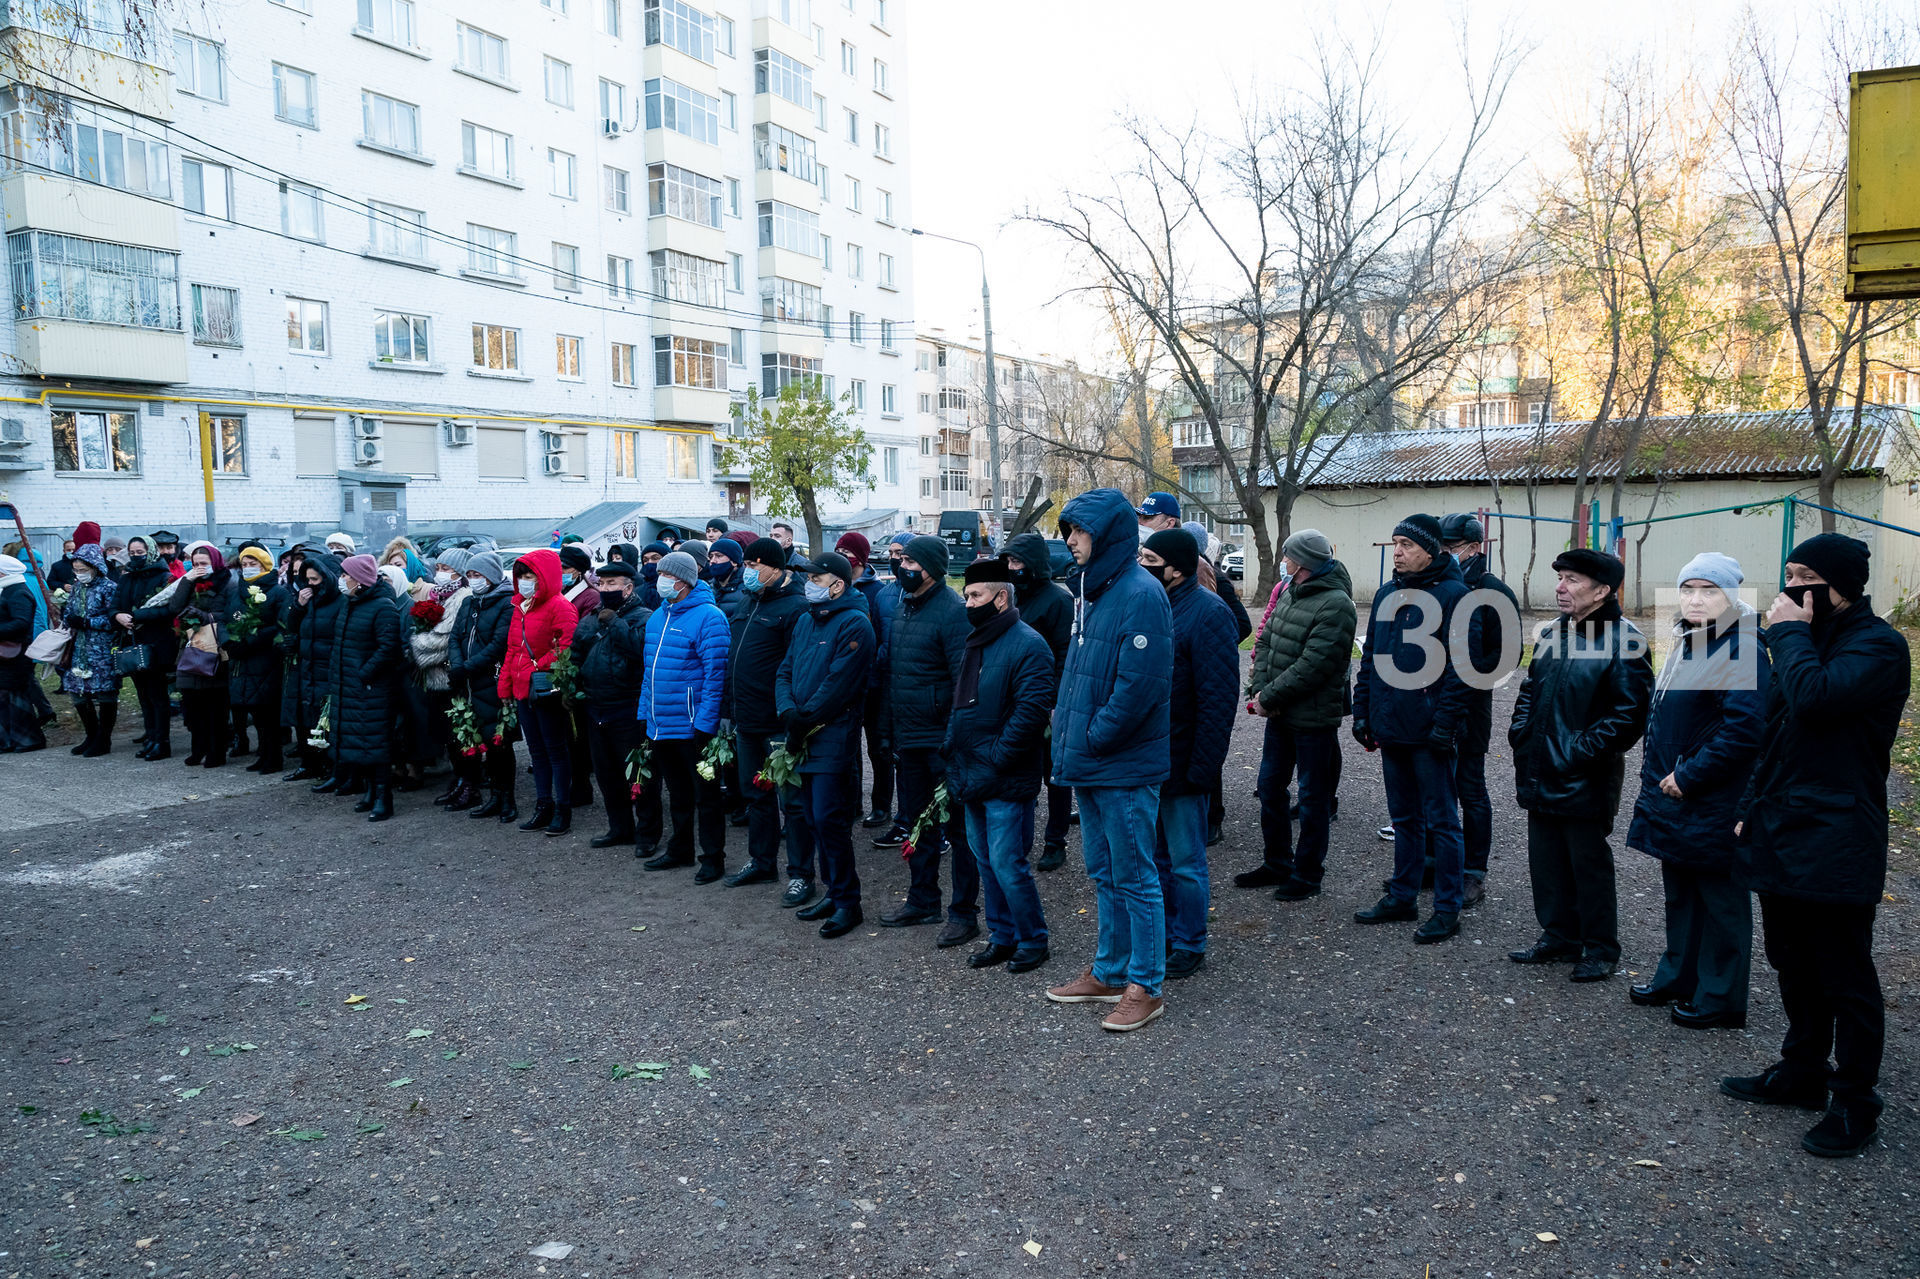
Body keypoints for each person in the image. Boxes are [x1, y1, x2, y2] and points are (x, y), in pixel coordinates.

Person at [1725, 533, 1910, 1158]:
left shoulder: (1879, 646)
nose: (1790, 588)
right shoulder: (1811, 639)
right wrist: (1750, 807)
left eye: (1804, 575)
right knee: (1791, 959)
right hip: (1782, 824)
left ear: (1839, 585)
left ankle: (1856, 1100)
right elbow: (1778, 733)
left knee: (1843, 972)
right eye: (1787, 573)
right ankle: (1802, 1069)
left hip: (1837, 833)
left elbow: (1816, 698)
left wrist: (1786, 635)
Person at [1044, 488, 1174, 1033]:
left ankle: (1145, 984)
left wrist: (1092, 737)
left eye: (1079, 531)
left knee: (1136, 875)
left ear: (1109, 535)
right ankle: (1109, 971)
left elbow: (1137, 687)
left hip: (1119, 763)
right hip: (1091, 761)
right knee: (1103, 871)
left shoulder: (1141, 593)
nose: (1070, 541)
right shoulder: (1094, 591)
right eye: (1069, 531)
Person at [1625, 553, 1767, 1031]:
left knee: (1721, 900)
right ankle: (1678, 977)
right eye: (1689, 589)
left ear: (1731, 597)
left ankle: (1721, 996)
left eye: (1710, 590)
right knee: (1681, 893)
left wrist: (1689, 775)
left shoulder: (1741, 646)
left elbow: (1744, 731)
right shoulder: (1691, 641)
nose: (1696, 599)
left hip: (1710, 796)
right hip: (1675, 794)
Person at [1508, 547, 1653, 981]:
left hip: (1583, 775)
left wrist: (1576, 751)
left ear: (1602, 590)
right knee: (1546, 859)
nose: (1560, 587)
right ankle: (1559, 936)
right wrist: (1522, 732)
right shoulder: (1554, 632)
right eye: (1560, 578)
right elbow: (1531, 688)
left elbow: (1629, 715)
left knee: (1587, 864)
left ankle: (1600, 947)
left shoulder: (1625, 640)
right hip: (1539, 764)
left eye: (1572, 580)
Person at [1352, 514, 1474, 944]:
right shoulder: (1388, 593)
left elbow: (1463, 671)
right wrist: (1362, 710)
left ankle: (1447, 907)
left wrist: (1445, 725)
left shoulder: (1457, 597)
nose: (1397, 552)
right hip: (1391, 726)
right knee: (1404, 817)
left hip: (1430, 731)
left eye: (1405, 544)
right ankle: (1403, 896)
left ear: (1431, 549)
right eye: (1394, 543)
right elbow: (1371, 659)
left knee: (1442, 821)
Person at [943, 557, 1055, 973]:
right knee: (986, 861)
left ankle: (1032, 939)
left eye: (975, 596)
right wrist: (953, 752)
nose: (967, 603)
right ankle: (1002, 935)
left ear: (1001, 598)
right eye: (966, 595)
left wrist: (994, 760)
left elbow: (1030, 714)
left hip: (1005, 776)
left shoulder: (1028, 645)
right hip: (971, 773)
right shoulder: (978, 642)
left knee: (1009, 864)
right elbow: (963, 707)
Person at [1139, 528, 1239, 979]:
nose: (1142, 564)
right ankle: (1164, 934)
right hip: (1152, 760)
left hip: (1185, 761)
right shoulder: (1156, 605)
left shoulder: (1209, 613)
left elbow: (1218, 701)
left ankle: (1190, 941)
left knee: (1186, 862)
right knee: (1156, 858)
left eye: (1149, 558)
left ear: (1175, 567)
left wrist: (1204, 767)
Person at [1236, 528, 1357, 901]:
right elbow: (1269, 636)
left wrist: (1268, 696)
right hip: (1281, 714)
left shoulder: (1336, 604)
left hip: (1312, 720)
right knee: (1270, 788)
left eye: (1288, 555)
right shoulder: (1291, 591)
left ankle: (1307, 874)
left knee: (1312, 798)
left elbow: (1314, 666)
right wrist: (1258, 685)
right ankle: (1277, 862)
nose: (1283, 561)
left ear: (1303, 561)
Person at [883, 534, 979, 948]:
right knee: (916, 825)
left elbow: (964, 680)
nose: (902, 567)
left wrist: (953, 738)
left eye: (909, 561)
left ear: (931, 569)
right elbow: (897, 674)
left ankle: (963, 913)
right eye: (901, 560)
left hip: (942, 741)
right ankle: (922, 900)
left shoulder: (952, 612)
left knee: (958, 832)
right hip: (910, 739)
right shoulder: (905, 607)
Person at [777, 551, 876, 939]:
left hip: (832, 736)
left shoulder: (855, 624)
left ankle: (848, 903)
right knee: (812, 819)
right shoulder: (805, 620)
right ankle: (834, 893)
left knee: (829, 820)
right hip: (801, 731)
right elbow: (784, 670)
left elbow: (839, 686)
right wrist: (788, 710)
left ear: (837, 584)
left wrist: (803, 719)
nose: (808, 585)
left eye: (815, 580)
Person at [1433, 514, 1520, 908]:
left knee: (1470, 788)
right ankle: (1438, 863)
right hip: (1432, 705)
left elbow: (1507, 657)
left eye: (1449, 547)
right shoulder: (1433, 587)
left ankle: (1474, 872)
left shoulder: (1492, 591)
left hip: (1470, 708)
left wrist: (1464, 681)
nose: (1443, 553)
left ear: (1473, 547)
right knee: (1435, 790)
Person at [723, 537, 815, 897]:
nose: (748, 571)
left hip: (778, 720)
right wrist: (729, 710)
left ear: (777, 568)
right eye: (745, 564)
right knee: (755, 794)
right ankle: (762, 863)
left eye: (755, 564)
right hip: (747, 719)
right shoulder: (748, 602)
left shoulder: (795, 607)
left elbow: (798, 668)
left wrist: (790, 712)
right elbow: (735, 661)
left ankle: (801, 873)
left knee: (792, 802)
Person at [639, 550, 731, 876]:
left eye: (667, 575)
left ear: (684, 581)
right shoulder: (658, 616)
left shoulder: (709, 617)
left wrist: (705, 723)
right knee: (677, 793)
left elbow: (715, 675)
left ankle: (712, 858)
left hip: (692, 725)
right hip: (661, 723)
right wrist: (645, 715)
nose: (661, 580)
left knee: (705, 796)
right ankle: (680, 849)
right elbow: (649, 672)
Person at [1004, 531, 1075, 872]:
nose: (1011, 567)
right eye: (1007, 561)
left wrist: (1055, 703)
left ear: (1032, 564)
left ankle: (1055, 841)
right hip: (1015, 702)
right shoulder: (1010, 597)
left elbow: (1064, 655)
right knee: (1021, 773)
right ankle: (1021, 838)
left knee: (1056, 776)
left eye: (1017, 561)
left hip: (1046, 704)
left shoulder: (1058, 601)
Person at [573, 560, 654, 848]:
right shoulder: (591, 617)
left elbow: (638, 650)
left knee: (638, 773)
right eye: (602, 584)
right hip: (596, 705)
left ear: (628, 587)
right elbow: (577, 652)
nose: (605, 589)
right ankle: (619, 827)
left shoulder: (643, 616)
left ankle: (647, 833)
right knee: (606, 773)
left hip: (628, 705)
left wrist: (614, 621)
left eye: (612, 584)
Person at [497, 550, 577, 835]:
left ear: (545, 576)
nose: (524, 581)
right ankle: (544, 805)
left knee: (555, 750)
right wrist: (505, 684)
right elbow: (512, 649)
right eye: (521, 575)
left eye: (529, 575)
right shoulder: (520, 606)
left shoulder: (560, 606)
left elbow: (565, 649)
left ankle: (563, 807)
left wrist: (535, 667)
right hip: (522, 689)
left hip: (545, 689)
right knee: (536, 752)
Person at [150, 544, 240, 768]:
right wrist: (188, 580)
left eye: (204, 564)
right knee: (192, 703)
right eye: (195, 563)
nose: (199, 568)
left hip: (214, 647)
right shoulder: (191, 581)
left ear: (215, 562)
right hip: (189, 647)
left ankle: (216, 751)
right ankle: (198, 748)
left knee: (215, 705)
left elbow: (232, 613)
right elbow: (175, 606)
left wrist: (205, 615)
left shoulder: (228, 582)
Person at [328, 555, 403, 820]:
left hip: (372, 688)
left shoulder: (382, 606)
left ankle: (384, 797)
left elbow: (388, 648)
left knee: (377, 744)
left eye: (346, 575)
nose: (342, 580)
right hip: (351, 685)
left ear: (359, 580)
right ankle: (370, 792)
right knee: (361, 743)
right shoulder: (351, 603)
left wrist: (364, 674)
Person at [448, 552, 519, 823]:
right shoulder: (468, 603)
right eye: (470, 575)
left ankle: (507, 798)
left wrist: (466, 667)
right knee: (481, 740)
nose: (473, 580)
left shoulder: (506, 604)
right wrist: (457, 663)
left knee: (500, 743)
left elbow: (498, 645)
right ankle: (494, 798)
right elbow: (456, 636)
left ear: (490, 576)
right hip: (468, 683)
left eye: (478, 575)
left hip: (492, 680)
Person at [410, 549, 473, 804]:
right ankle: (459, 780)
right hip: (437, 677)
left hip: (451, 677)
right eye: (439, 567)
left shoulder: (461, 597)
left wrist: (415, 642)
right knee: (448, 736)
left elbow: (444, 638)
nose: (441, 573)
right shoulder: (440, 596)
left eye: (447, 569)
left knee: (460, 735)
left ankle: (468, 782)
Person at [865, 531, 914, 836]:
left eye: (902, 554)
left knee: (908, 756)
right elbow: (878, 639)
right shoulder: (883, 595)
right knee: (880, 747)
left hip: (912, 685)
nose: (895, 559)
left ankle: (910, 818)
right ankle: (881, 805)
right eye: (893, 553)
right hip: (883, 683)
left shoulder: (922, 594)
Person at [227, 543, 292, 774]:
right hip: (243, 660)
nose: (247, 569)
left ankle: (273, 757)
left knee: (268, 712)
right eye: (244, 564)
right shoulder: (238, 592)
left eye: (252, 564)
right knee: (255, 711)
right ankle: (262, 754)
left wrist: (254, 638)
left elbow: (280, 624)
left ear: (264, 565)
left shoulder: (277, 593)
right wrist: (231, 640)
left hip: (266, 659)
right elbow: (230, 618)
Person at [112, 536, 178, 759]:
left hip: (157, 643)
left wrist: (139, 615)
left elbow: (170, 610)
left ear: (149, 552)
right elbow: (115, 606)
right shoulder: (126, 578)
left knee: (157, 695)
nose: (136, 556)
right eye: (132, 553)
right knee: (143, 694)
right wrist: (118, 616)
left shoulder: (164, 577)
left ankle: (162, 741)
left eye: (140, 552)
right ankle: (150, 737)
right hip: (133, 642)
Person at [56, 537, 123, 757]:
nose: (79, 573)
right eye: (76, 569)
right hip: (78, 648)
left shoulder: (109, 588)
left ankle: (104, 739)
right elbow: (69, 612)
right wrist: (67, 619)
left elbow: (114, 620)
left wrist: (88, 622)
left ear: (95, 567)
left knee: (105, 692)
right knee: (78, 692)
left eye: (83, 569)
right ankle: (91, 735)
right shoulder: (77, 588)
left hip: (102, 649)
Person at [287, 552, 346, 788]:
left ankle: (329, 767)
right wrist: (298, 606)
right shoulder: (308, 600)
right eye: (307, 579)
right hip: (307, 666)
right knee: (306, 718)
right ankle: (308, 763)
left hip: (326, 668)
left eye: (315, 579)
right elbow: (293, 625)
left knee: (326, 721)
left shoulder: (340, 601)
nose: (309, 585)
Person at [556, 544, 600, 809]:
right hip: (561, 666)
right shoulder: (561, 592)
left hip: (578, 668)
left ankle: (582, 786)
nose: (561, 573)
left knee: (579, 735)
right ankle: (574, 781)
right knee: (566, 734)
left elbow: (582, 635)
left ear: (577, 571)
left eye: (565, 568)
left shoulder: (589, 597)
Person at [0, 553, 45, 753]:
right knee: (5, 699)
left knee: (16, 698)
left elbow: (21, 623)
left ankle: (28, 739)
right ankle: (9, 740)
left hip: (16, 654)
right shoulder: (8, 590)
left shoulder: (17, 592)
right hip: (7, 654)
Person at [706, 537, 746, 618]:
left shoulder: (746, 591)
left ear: (734, 562)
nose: (712, 561)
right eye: (711, 556)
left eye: (719, 556)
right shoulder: (709, 588)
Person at [636, 541, 669, 612]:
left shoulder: (673, 587)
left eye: (655, 558)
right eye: (645, 560)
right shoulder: (637, 589)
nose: (650, 562)